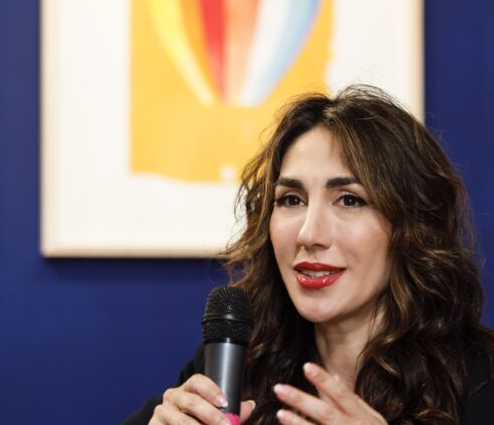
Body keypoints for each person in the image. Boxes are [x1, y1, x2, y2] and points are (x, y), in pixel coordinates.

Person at [124, 85, 494, 424]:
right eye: (291, 200)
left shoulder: (482, 381)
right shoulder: (236, 364)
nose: (309, 234)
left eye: (349, 200)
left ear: (411, 225)